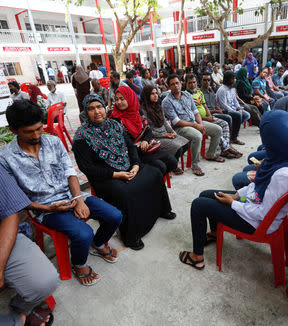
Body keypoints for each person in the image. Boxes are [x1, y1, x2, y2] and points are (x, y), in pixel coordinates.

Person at [0, 100, 122, 285]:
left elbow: (69, 172)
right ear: (13, 130)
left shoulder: (53, 141)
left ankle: (98, 244)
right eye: (29, 131)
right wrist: (46, 208)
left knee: (114, 215)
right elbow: (15, 199)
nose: (36, 135)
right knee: (83, 233)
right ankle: (79, 263)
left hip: (71, 195)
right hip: (43, 208)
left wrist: (79, 199)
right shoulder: (5, 159)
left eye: (39, 128)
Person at [179, 110, 288, 270]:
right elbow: (256, 189)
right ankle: (215, 232)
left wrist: (233, 203)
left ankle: (197, 257)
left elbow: (263, 213)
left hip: (257, 221)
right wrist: (238, 195)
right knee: (206, 194)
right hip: (254, 202)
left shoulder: (283, 175)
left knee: (198, 205)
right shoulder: (287, 152)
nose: (264, 142)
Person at [73, 94, 174, 251]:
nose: (97, 111)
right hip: (105, 177)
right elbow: (87, 168)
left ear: (104, 108)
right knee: (127, 192)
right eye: (91, 109)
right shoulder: (82, 136)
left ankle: (161, 210)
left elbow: (131, 147)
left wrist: (135, 165)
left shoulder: (115, 125)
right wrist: (116, 174)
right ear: (86, 112)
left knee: (154, 174)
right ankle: (132, 235)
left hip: (128, 167)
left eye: (99, 107)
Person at [0, 165, 59, 326]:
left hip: (2, 237)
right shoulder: (10, 155)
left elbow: (9, 211)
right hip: (46, 207)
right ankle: (17, 321)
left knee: (46, 280)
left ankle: (19, 313)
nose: (35, 137)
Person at [162, 74, 222, 176]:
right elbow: (176, 121)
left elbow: (196, 112)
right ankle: (195, 164)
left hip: (194, 122)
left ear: (181, 84)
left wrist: (201, 124)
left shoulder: (187, 95)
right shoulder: (167, 101)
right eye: (172, 84)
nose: (175, 86)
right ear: (169, 87)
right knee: (197, 136)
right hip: (181, 128)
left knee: (217, 129)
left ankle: (210, 154)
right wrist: (196, 126)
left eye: (177, 83)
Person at [112, 86, 179, 175]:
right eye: (116, 99)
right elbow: (125, 143)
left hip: (146, 148)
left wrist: (146, 140)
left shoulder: (137, 112)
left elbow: (148, 130)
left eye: (122, 99)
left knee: (172, 162)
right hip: (133, 154)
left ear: (130, 98)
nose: (119, 102)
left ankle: (157, 181)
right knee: (160, 166)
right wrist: (143, 144)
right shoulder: (115, 119)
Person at [185, 75, 242, 160]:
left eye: (194, 82)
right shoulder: (186, 95)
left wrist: (210, 116)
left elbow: (205, 107)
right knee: (217, 128)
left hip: (207, 118)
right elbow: (191, 114)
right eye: (190, 83)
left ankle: (224, 149)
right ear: (186, 84)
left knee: (225, 123)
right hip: (197, 121)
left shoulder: (199, 93)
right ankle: (227, 148)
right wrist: (207, 119)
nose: (192, 85)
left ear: (197, 83)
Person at [140, 85, 189, 174]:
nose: (155, 96)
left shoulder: (158, 106)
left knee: (186, 144)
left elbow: (165, 122)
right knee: (178, 148)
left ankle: (173, 163)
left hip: (165, 133)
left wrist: (171, 131)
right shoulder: (143, 110)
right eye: (152, 94)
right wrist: (164, 135)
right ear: (146, 95)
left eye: (156, 93)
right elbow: (148, 129)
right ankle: (172, 166)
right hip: (155, 137)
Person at [216, 71, 251, 145]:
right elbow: (223, 105)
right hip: (225, 110)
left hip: (233, 109)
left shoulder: (232, 88)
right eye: (233, 78)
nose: (235, 80)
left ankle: (233, 130)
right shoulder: (222, 90)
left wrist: (239, 108)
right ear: (228, 79)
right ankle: (234, 138)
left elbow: (235, 101)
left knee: (247, 115)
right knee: (238, 115)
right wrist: (235, 111)